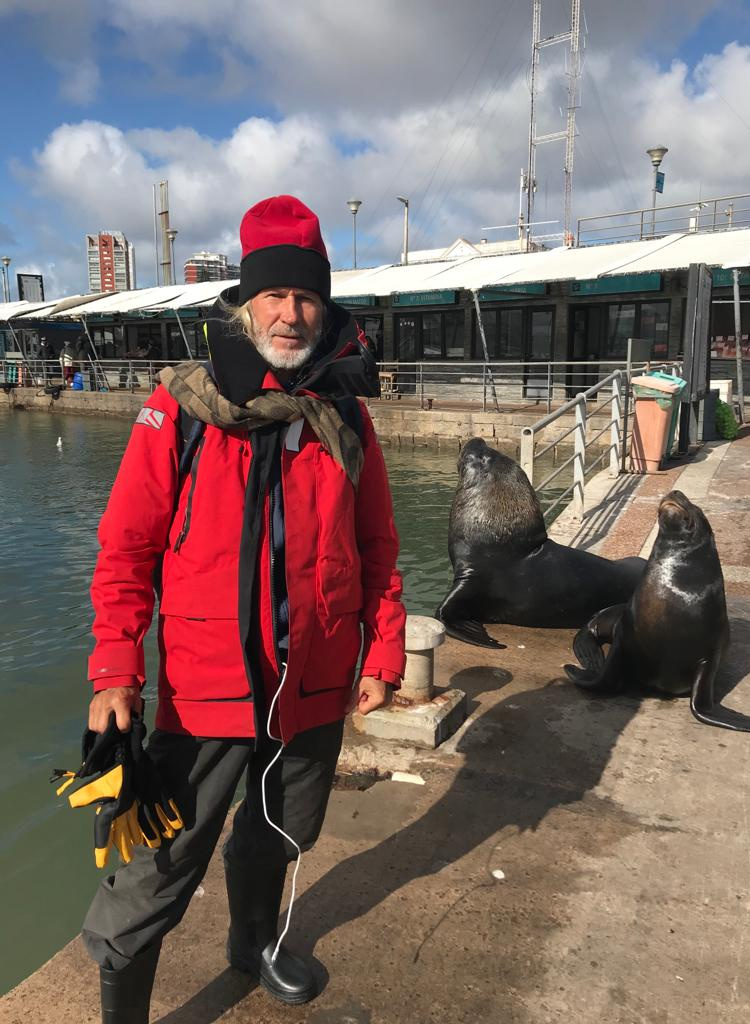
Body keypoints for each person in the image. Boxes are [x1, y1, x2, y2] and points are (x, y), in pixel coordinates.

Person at [80, 195, 406, 1021]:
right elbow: (126, 551)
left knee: (282, 830)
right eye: (275, 295)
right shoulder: (179, 412)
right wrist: (117, 667)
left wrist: (383, 652)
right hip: (202, 695)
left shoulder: (347, 417)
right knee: (154, 864)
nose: (291, 313)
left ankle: (253, 942)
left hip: (313, 686)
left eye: (306, 296)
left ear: (323, 305)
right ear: (245, 302)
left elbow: (377, 551)